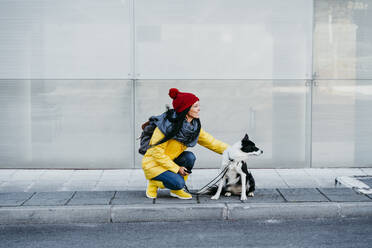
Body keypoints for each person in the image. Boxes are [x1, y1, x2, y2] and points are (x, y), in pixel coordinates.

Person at [142, 88, 229, 199]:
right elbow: (156, 153)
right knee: (179, 183)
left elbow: (212, 142)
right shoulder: (166, 127)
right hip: (154, 164)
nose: (199, 109)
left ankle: (175, 191)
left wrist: (234, 151)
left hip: (170, 161)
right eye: (195, 106)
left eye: (198, 106)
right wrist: (177, 169)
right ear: (186, 109)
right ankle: (155, 183)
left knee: (189, 157)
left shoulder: (192, 127)